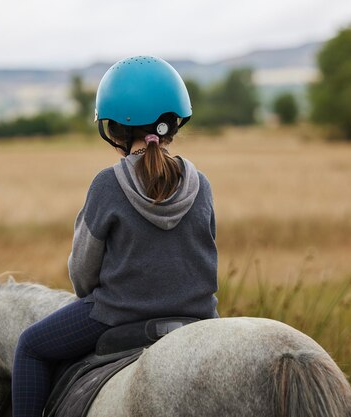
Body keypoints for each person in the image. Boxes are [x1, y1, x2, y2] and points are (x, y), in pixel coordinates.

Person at [12, 55, 219, 417]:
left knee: (29, 346)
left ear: (115, 129)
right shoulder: (201, 184)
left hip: (117, 315)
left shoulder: (108, 183)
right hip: (199, 317)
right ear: (174, 123)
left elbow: (81, 272)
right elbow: (204, 252)